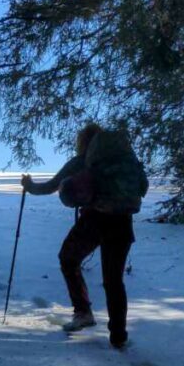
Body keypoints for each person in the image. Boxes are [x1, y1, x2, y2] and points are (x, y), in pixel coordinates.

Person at [20, 123, 143, 349]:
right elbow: (142, 187)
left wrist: (29, 186)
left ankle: (83, 312)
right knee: (114, 281)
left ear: (85, 143)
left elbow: (51, 186)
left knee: (68, 259)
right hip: (123, 222)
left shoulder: (84, 161)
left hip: (94, 220)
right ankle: (118, 336)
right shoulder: (125, 162)